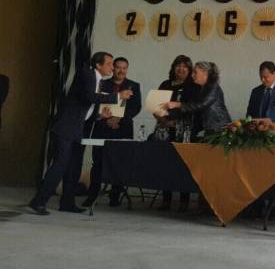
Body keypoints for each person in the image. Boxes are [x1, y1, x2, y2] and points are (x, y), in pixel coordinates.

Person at [28, 52, 132, 215]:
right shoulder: (87, 74)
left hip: (77, 128)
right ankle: (38, 201)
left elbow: (84, 106)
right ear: (98, 65)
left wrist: (100, 116)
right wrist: (118, 96)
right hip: (66, 127)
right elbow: (90, 97)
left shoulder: (99, 81)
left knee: (74, 166)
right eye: (109, 64)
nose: (112, 68)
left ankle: (67, 203)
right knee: (60, 164)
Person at [83, 57, 142, 207]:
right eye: (118, 67)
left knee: (120, 162)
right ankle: (92, 196)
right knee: (97, 162)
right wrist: (107, 120)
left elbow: (136, 107)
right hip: (102, 127)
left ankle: (115, 197)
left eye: (124, 68)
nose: (121, 71)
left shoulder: (134, 86)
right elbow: (96, 104)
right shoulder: (102, 83)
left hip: (123, 128)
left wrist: (118, 118)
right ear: (113, 68)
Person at [153, 55, 197, 211]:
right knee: (165, 164)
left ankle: (184, 201)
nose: (181, 69)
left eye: (185, 66)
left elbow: (193, 107)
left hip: (184, 130)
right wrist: (163, 120)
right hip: (164, 128)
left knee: (183, 165)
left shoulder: (193, 86)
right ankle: (166, 199)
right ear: (173, 68)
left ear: (190, 69)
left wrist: (176, 122)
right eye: (178, 65)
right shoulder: (165, 84)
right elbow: (155, 105)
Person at [162, 62, 231, 134]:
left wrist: (177, 104)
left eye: (195, 72)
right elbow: (192, 105)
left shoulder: (213, 87)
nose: (192, 75)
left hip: (219, 128)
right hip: (210, 128)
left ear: (205, 73)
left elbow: (201, 104)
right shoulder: (201, 88)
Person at [246, 61, 275, 132]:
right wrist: (250, 124)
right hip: (257, 133)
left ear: (274, 74)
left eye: (266, 77)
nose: (263, 80)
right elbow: (249, 113)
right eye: (261, 77)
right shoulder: (255, 91)